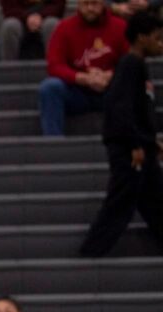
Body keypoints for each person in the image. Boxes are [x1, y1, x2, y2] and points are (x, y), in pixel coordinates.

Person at [79, 12, 163, 258]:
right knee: (120, 204)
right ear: (141, 38)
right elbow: (119, 107)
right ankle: (90, 253)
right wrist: (135, 144)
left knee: (156, 202)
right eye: (158, 38)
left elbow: (138, 110)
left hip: (141, 147)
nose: (161, 44)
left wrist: (150, 141)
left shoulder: (139, 66)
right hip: (130, 151)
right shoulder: (130, 64)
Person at [38, 0, 128, 136]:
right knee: (49, 88)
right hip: (78, 91)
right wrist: (83, 78)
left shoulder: (120, 26)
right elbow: (55, 66)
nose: (90, 8)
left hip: (111, 90)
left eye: (95, 4)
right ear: (78, 4)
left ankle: (133, 145)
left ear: (103, 3)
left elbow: (130, 61)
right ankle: (54, 144)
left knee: (136, 84)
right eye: (86, 4)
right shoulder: (64, 27)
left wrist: (109, 76)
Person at [0, 1, 64, 61]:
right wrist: (27, 16)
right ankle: (9, 69)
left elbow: (58, 5)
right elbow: (9, 7)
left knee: (52, 25)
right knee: (9, 26)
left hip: (47, 17)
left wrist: (40, 15)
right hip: (19, 18)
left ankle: (55, 67)